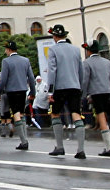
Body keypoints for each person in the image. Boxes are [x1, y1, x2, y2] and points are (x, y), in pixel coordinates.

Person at [45, 24, 87, 159]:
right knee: (76, 115)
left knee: (55, 114)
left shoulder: (53, 50)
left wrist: (50, 91)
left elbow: (52, 71)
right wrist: (79, 86)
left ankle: (60, 146)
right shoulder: (75, 50)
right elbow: (81, 70)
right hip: (74, 86)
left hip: (60, 87)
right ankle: (81, 149)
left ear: (55, 37)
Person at [0, 40, 36, 150]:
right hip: (23, 90)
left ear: (9, 50)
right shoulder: (25, 60)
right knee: (22, 114)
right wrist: (33, 91)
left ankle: (24, 141)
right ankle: (25, 138)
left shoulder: (6, 61)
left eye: (6, 49)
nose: (5, 51)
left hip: (12, 91)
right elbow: (31, 78)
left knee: (16, 114)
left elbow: (3, 79)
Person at [81, 41, 110, 156]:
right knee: (105, 117)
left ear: (89, 51)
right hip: (108, 91)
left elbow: (85, 80)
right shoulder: (106, 62)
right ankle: (109, 141)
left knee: (101, 118)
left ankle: (108, 146)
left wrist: (83, 95)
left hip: (96, 92)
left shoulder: (87, 63)